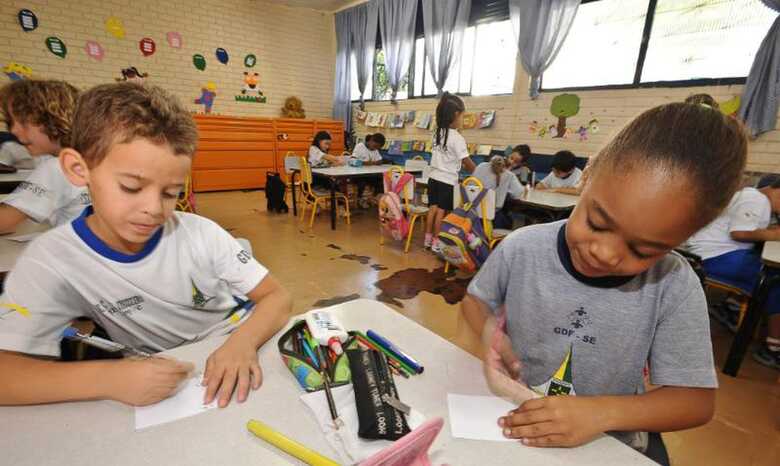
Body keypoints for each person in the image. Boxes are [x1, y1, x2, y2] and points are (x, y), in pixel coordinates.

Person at [461, 102, 747, 464]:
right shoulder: (522, 247)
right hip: (516, 426)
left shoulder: (674, 285)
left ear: (685, 237)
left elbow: (695, 402)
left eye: (643, 249)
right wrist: (491, 335)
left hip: (607, 446)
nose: (607, 254)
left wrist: (601, 413)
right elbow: (475, 301)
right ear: (588, 173)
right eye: (597, 223)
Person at [0, 83, 292, 408]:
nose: (154, 208)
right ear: (77, 169)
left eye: (170, 193)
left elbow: (277, 297)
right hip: (170, 373)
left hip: (242, 340)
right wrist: (109, 378)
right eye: (131, 187)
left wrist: (242, 344)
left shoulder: (200, 233)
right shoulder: (51, 259)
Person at [686, 175, 780, 370]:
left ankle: (731, 305)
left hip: (711, 253)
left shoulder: (753, 197)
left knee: (765, 271)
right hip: (714, 257)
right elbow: (739, 233)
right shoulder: (757, 199)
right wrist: (774, 234)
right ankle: (774, 347)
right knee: (773, 281)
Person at [0, 79, 89, 233]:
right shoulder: (90, 157)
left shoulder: (58, 166)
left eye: (22, 122)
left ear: (53, 119)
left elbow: (4, 222)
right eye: (10, 123)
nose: (13, 131)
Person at [425, 92, 476, 253]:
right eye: (462, 116)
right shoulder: (457, 138)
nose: (462, 120)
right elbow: (467, 162)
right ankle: (437, 242)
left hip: (433, 178)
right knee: (441, 211)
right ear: (456, 115)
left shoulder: (437, 133)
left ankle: (427, 240)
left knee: (432, 209)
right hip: (447, 181)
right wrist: (478, 172)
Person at [473, 156, 526, 230]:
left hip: (472, 214)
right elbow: (518, 194)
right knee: (509, 220)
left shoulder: (480, 166)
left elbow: (471, 185)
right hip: (492, 218)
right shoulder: (509, 175)